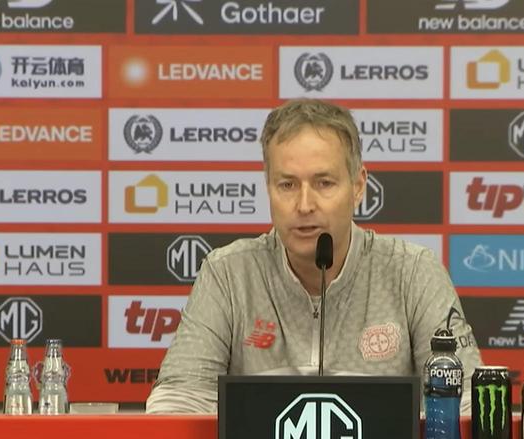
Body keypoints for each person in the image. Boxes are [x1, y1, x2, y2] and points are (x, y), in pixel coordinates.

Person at [145, 98, 482, 413]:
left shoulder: (412, 273)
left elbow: (466, 405)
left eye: (324, 183)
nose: (304, 205)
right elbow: (175, 406)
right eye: (287, 185)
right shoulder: (229, 275)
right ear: (268, 188)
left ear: (358, 186)